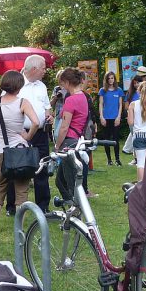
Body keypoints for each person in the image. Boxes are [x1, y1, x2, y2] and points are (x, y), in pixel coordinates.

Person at [0, 70, 39, 238]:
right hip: (19, 151)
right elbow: (36, 122)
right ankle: (19, 231)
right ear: (19, 86)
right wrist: (27, 135)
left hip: (1, 151)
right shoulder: (22, 102)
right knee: (21, 191)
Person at [20, 54, 53, 213]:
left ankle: (43, 205)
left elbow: (47, 106)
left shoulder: (41, 86)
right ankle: (14, 205)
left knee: (42, 167)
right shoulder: (17, 84)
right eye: (43, 68)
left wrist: (49, 114)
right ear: (33, 69)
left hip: (40, 133)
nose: (45, 71)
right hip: (21, 132)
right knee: (19, 168)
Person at [54, 67, 94, 196]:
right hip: (78, 139)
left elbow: (64, 127)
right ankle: (72, 205)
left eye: (62, 83)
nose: (62, 86)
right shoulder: (83, 96)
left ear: (66, 82)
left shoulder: (70, 100)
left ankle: (75, 207)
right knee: (63, 180)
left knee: (67, 181)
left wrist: (57, 146)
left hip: (69, 142)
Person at [98, 72, 126, 165]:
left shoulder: (119, 90)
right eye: (109, 78)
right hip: (106, 118)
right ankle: (109, 160)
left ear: (115, 79)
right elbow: (101, 104)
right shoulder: (102, 90)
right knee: (106, 139)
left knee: (115, 139)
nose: (111, 80)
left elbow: (120, 104)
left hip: (115, 118)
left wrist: (118, 117)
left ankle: (117, 160)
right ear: (106, 79)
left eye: (112, 78)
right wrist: (101, 117)